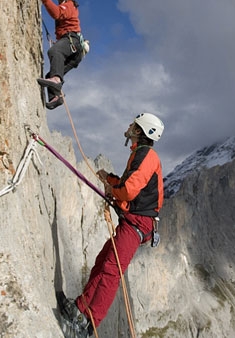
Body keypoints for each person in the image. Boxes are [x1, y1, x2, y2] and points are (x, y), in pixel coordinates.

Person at [57, 113, 164, 338]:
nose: (129, 126)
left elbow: (129, 191)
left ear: (140, 131)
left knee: (111, 271)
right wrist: (111, 180)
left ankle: (88, 324)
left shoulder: (146, 156)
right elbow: (129, 184)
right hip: (136, 222)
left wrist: (112, 191)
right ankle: (80, 309)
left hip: (137, 224)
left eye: (133, 124)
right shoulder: (140, 154)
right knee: (103, 261)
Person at [35, 0, 89, 110]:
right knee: (50, 75)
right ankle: (56, 97)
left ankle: (57, 81)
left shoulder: (70, 5)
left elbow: (56, 14)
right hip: (75, 54)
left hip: (72, 42)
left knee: (54, 52)